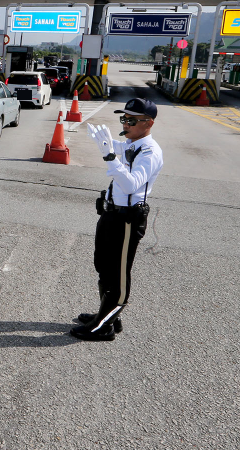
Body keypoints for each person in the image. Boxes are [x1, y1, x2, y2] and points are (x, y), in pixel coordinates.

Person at [71, 98, 164, 341]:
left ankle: (103, 327)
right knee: (102, 265)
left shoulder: (150, 151)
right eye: (123, 118)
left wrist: (109, 155)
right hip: (111, 214)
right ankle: (108, 313)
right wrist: (102, 142)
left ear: (148, 123)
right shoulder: (132, 144)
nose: (125, 123)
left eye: (131, 120)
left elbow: (132, 183)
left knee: (118, 274)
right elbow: (116, 147)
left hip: (127, 220)